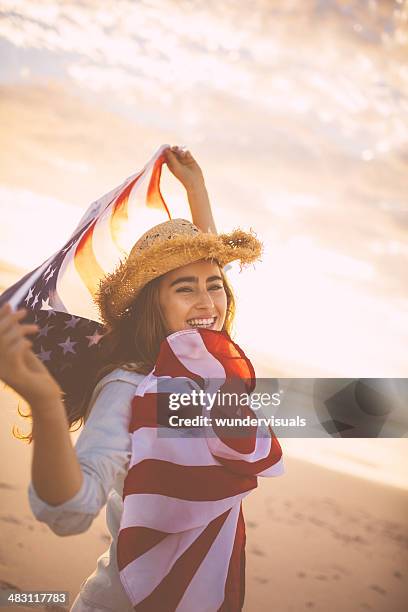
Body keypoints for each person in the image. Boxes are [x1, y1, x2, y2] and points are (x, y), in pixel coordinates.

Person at [0, 146, 284, 612]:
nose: (208, 303)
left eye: (215, 286)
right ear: (155, 303)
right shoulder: (131, 386)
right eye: (183, 288)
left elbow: (205, 287)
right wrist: (45, 399)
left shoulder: (208, 369)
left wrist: (197, 190)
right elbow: (70, 512)